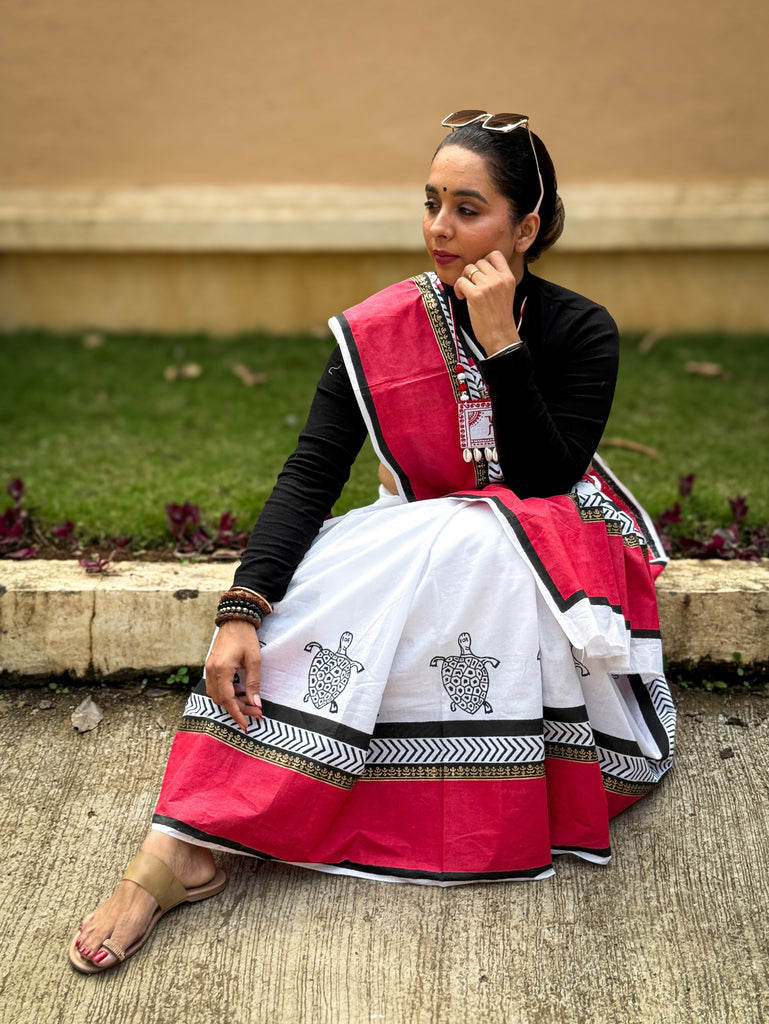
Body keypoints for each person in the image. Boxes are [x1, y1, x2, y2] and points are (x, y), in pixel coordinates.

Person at [69, 110, 675, 974]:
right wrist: (242, 609)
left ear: (526, 225)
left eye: (468, 209)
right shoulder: (382, 332)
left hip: (547, 556)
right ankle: (180, 848)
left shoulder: (581, 331)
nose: (438, 228)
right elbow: (313, 472)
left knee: (476, 542)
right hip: (415, 538)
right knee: (316, 603)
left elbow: (542, 482)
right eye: (431, 203)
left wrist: (501, 340)